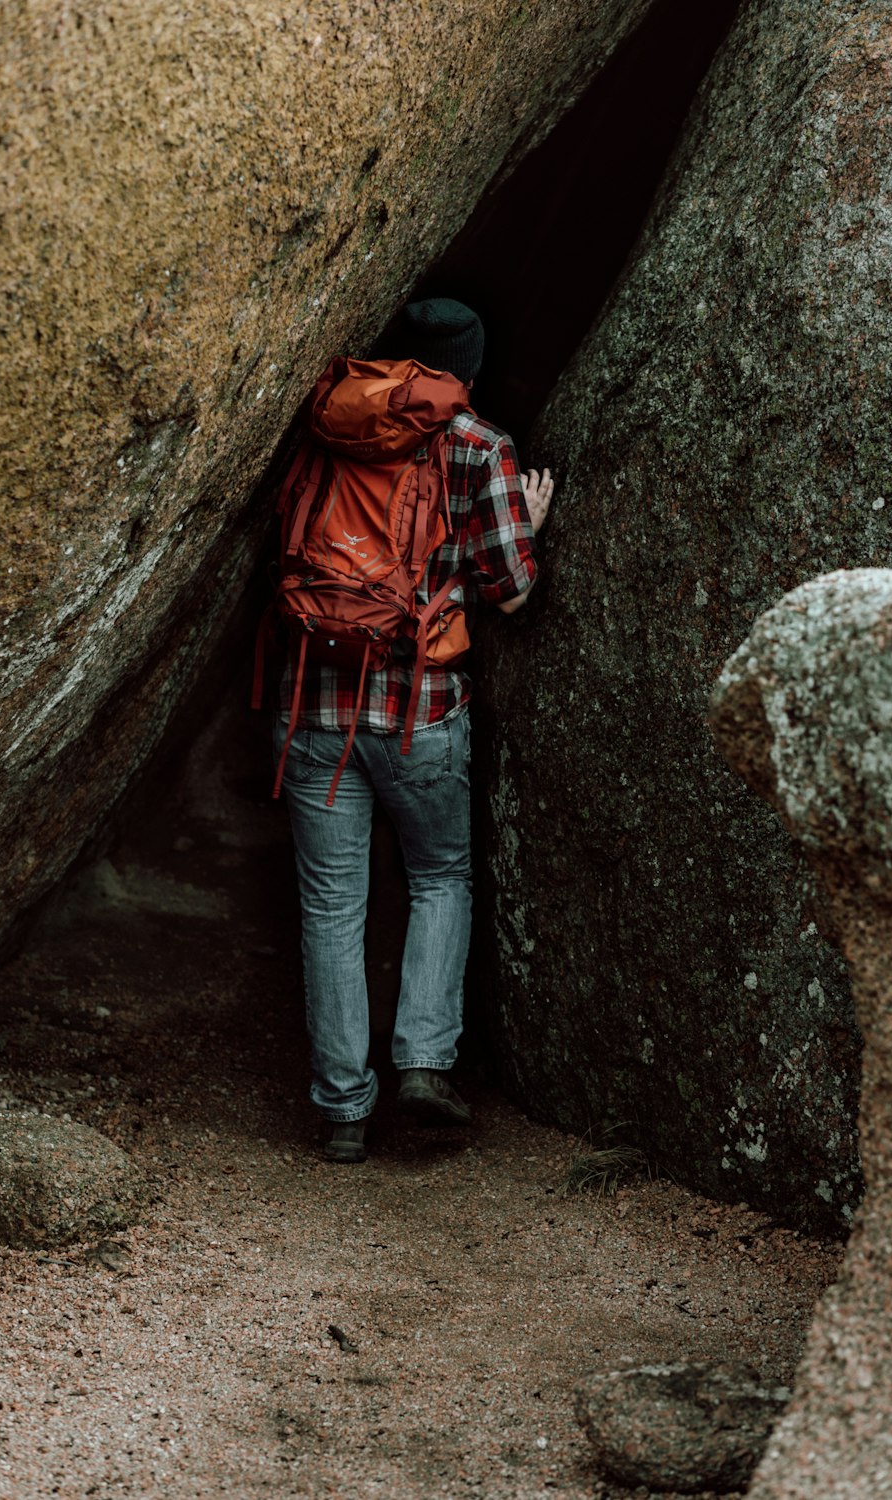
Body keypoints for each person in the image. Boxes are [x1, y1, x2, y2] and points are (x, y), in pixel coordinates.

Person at [274, 297, 554, 1162]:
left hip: (314, 707)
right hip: (419, 712)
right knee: (440, 876)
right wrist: (531, 528)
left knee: (330, 908)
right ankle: (425, 1063)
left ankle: (344, 1113)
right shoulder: (480, 445)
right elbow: (510, 591)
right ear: (466, 370)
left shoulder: (328, 426)